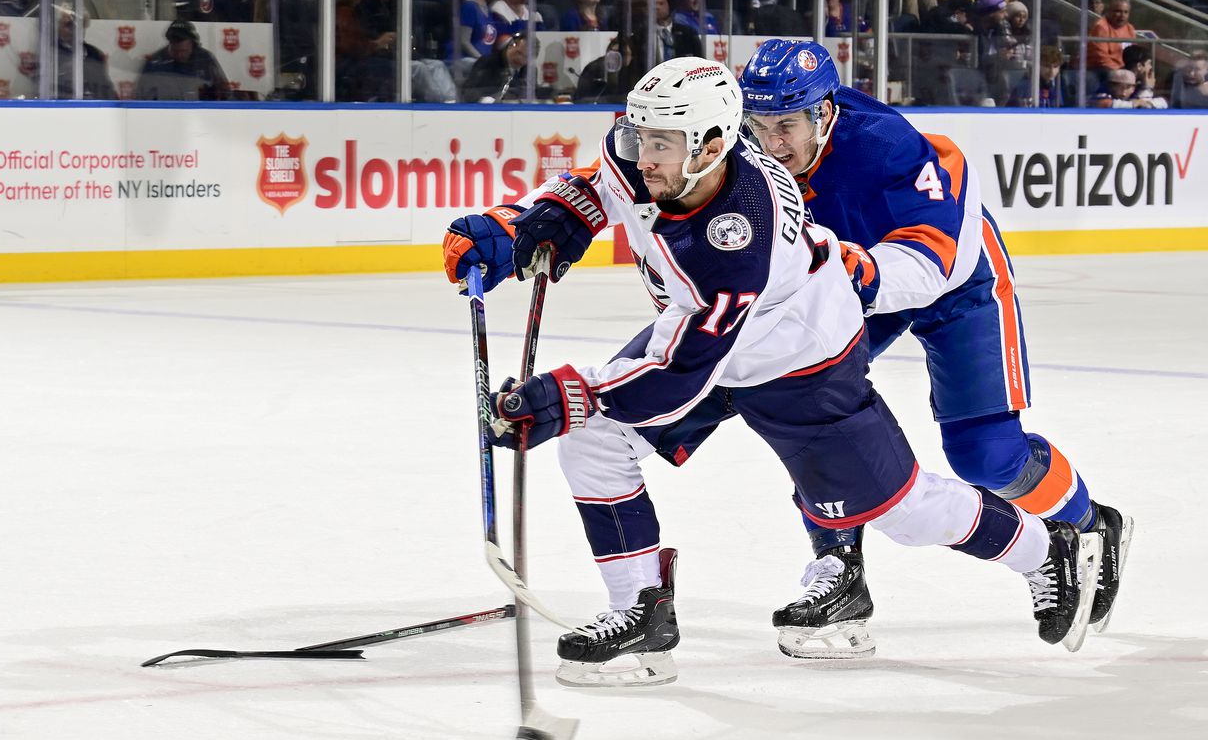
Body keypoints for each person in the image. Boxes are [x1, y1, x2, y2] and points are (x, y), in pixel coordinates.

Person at [442, 56, 1105, 684]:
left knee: (901, 511)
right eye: (640, 135)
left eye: (661, 144)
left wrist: (563, 396)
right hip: (712, 338)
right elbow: (593, 187)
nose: (644, 156)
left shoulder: (738, 232)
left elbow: (679, 371)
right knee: (595, 440)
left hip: (802, 362)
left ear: (708, 146)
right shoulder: (654, 155)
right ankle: (641, 608)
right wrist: (524, 229)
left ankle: (1045, 551)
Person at [735, 40, 1132, 653]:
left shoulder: (884, 146)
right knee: (806, 402)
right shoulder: (745, 148)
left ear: (824, 111)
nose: (771, 143)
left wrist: (843, 282)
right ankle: (840, 571)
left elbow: (933, 260)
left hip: (952, 278)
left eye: (786, 124)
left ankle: (1087, 525)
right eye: (758, 125)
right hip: (856, 279)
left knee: (988, 456)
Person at [135, 20, 232, 101]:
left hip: (200, 115)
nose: (179, 55)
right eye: (175, 51)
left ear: (192, 45)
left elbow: (224, 93)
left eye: (183, 51)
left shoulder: (205, 59)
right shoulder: (155, 62)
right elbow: (140, 96)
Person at [54, 10, 117, 101]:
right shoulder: (51, 53)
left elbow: (106, 89)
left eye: (80, 25)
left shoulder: (95, 54)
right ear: (58, 26)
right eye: (69, 25)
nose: (74, 30)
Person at [461, 30, 534, 102]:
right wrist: (486, 100)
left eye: (526, 57)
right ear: (510, 46)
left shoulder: (527, 71)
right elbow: (468, 91)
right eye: (518, 53)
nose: (520, 59)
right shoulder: (488, 63)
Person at [1086, 0, 1137, 83]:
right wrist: (1121, 71)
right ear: (1109, 11)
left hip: (1122, 69)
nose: (1122, 16)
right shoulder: (1101, 27)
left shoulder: (1130, 28)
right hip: (1101, 69)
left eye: (1126, 12)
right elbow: (1101, 58)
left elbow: (1134, 53)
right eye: (1118, 11)